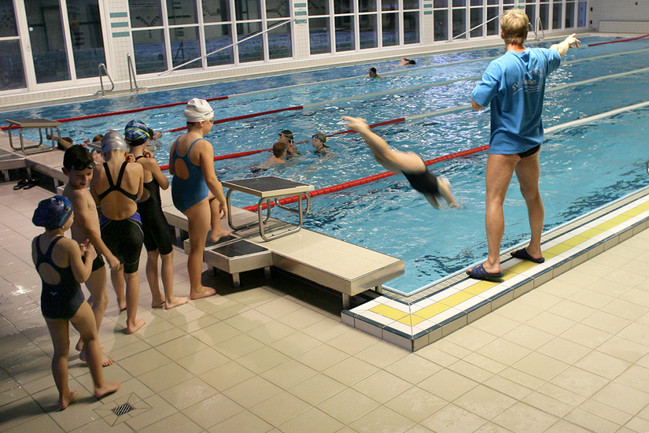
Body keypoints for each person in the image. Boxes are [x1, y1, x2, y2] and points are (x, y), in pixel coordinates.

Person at [466, 8, 580, 281]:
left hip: (506, 144)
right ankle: (535, 248)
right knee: (532, 194)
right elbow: (557, 51)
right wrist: (567, 41)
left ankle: (493, 263)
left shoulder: (500, 65)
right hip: (531, 142)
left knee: (494, 200)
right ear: (526, 33)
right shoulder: (540, 58)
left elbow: (476, 103)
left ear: (502, 33)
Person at [31, 196, 120, 410]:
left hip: (49, 302)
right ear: (63, 221)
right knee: (90, 338)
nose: (73, 218)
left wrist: (75, 255)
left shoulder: (37, 242)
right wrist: (88, 256)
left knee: (60, 352)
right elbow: (81, 276)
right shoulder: (69, 244)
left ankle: (64, 396)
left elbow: (53, 264)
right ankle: (100, 386)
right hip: (71, 300)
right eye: (71, 215)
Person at [62, 146, 122, 366]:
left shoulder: (71, 189)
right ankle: (89, 349)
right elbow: (89, 230)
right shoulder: (77, 195)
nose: (85, 179)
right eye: (79, 176)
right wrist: (109, 255)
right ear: (65, 171)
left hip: (82, 250)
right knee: (101, 299)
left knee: (95, 297)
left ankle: (83, 341)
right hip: (88, 252)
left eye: (88, 174)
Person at [125, 120, 189, 310]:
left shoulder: (126, 162)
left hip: (139, 216)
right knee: (167, 255)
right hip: (154, 214)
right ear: (146, 139)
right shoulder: (148, 162)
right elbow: (164, 184)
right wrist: (154, 163)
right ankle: (170, 298)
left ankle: (156, 297)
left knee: (151, 255)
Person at [169, 98, 229, 300]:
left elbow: (171, 169)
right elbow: (211, 180)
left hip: (179, 194)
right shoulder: (203, 145)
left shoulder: (177, 142)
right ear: (202, 122)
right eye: (212, 120)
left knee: (212, 192)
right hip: (194, 199)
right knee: (197, 248)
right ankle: (196, 289)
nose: (213, 124)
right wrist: (223, 200)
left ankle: (217, 230)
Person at [90, 131, 146, 333]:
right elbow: (138, 196)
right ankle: (131, 322)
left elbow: (95, 201)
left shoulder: (97, 171)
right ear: (123, 150)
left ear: (104, 152)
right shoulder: (136, 167)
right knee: (132, 276)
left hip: (108, 227)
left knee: (116, 267)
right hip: (132, 226)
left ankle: (121, 301)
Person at [343, 116, 458, 208]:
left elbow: (437, 207)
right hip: (416, 167)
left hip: (408, 171)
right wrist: (455, 206)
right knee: (388, 155)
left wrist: (443, 208)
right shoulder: (440, 186)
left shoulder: (427, 192)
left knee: (380, 158)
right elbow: (451, 202)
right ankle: (363, 128)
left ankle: (363, 131)